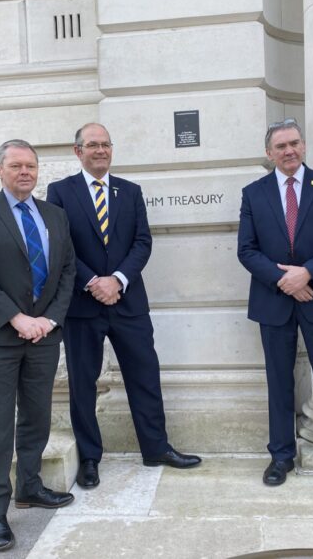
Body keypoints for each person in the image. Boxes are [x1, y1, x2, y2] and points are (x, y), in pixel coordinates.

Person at [46, 123, 201, 489]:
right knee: (83, 384)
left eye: (106, 145)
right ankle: (89, 459)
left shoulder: (130, 192)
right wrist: (93, 282)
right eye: (92, 145)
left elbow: (142, 242)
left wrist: (117, 280)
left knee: (145, 376)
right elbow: (60, 245)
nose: (100, 150)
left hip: (128, 302)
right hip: (83, 306)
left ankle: (156, 447)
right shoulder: (60, 192)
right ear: (77, 151)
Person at [0, 139, 77, 551]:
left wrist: (48, 319)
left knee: (37, 417)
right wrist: (16, 317)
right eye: (16, 166)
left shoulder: (54, 215)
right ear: (0, 170)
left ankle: (30, 486)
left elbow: (67, 272)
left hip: (44, 335)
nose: (24, 172)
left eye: (31, 166)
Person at [237, 118, 313, 493]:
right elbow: (247, 250)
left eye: (294, 143)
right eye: (281, 146)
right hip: (274, 301)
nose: (289, 151)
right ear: (269, 153)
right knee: (278, 382)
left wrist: (307, 274)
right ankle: (281, 456)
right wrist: (285, 281)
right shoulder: (253, 193)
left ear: (303, 146)